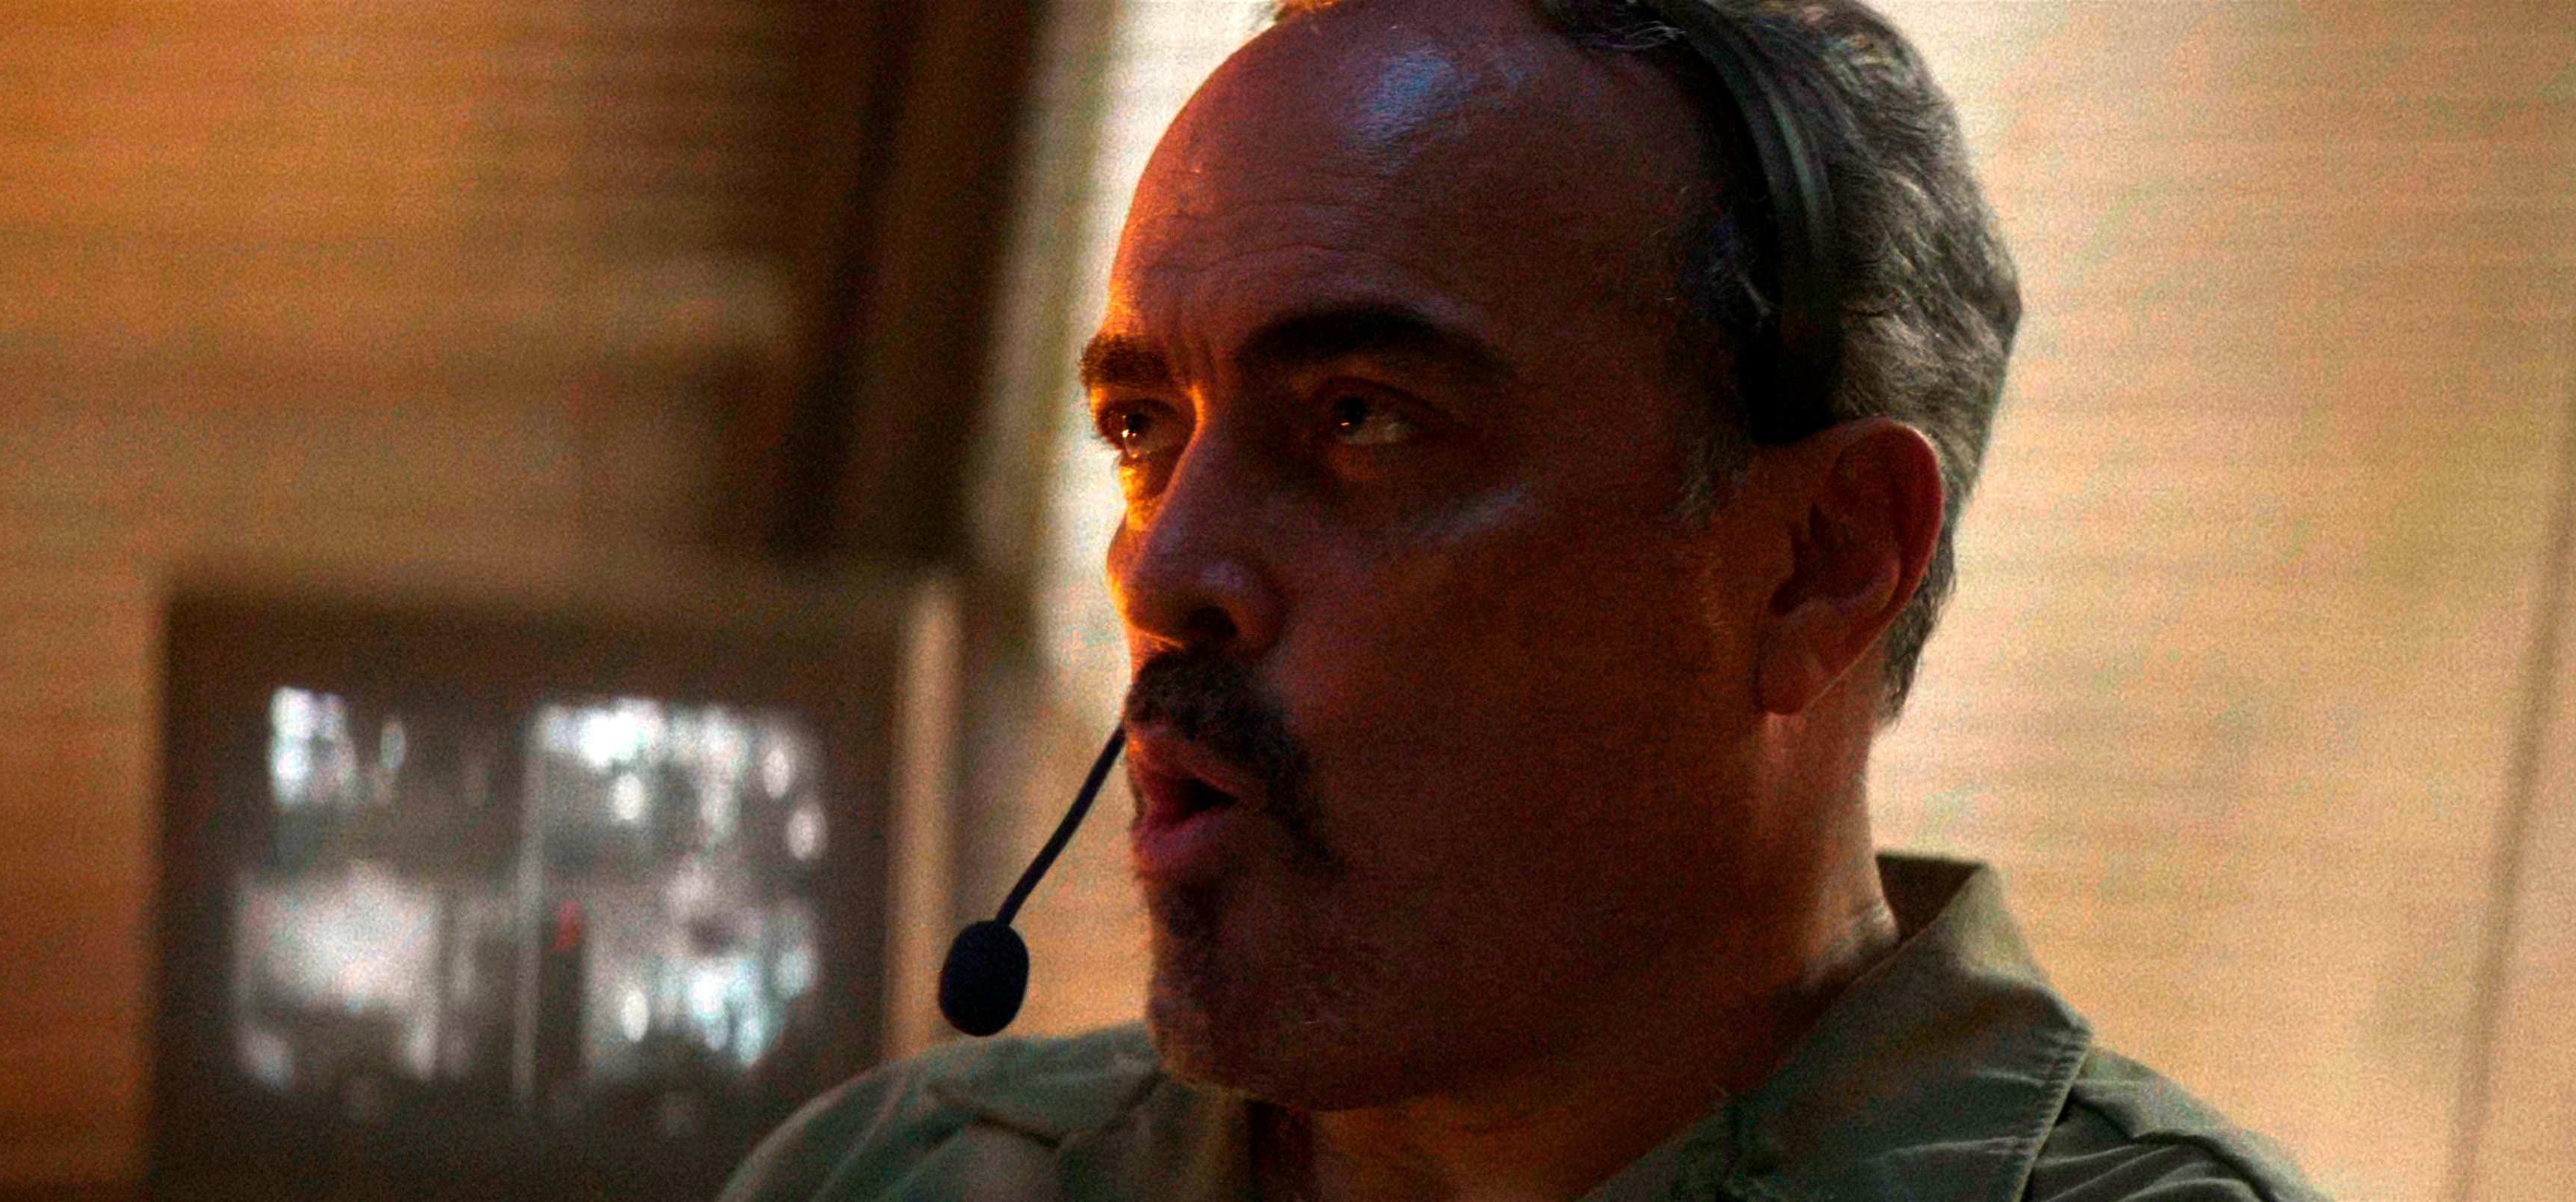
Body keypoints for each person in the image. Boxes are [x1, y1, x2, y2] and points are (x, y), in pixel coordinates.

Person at [727, 0, 2331, 1197]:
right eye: (1145, 430)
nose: (1164, 571)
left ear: (1823, 559)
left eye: (1363, 418)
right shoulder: (896, 1175)